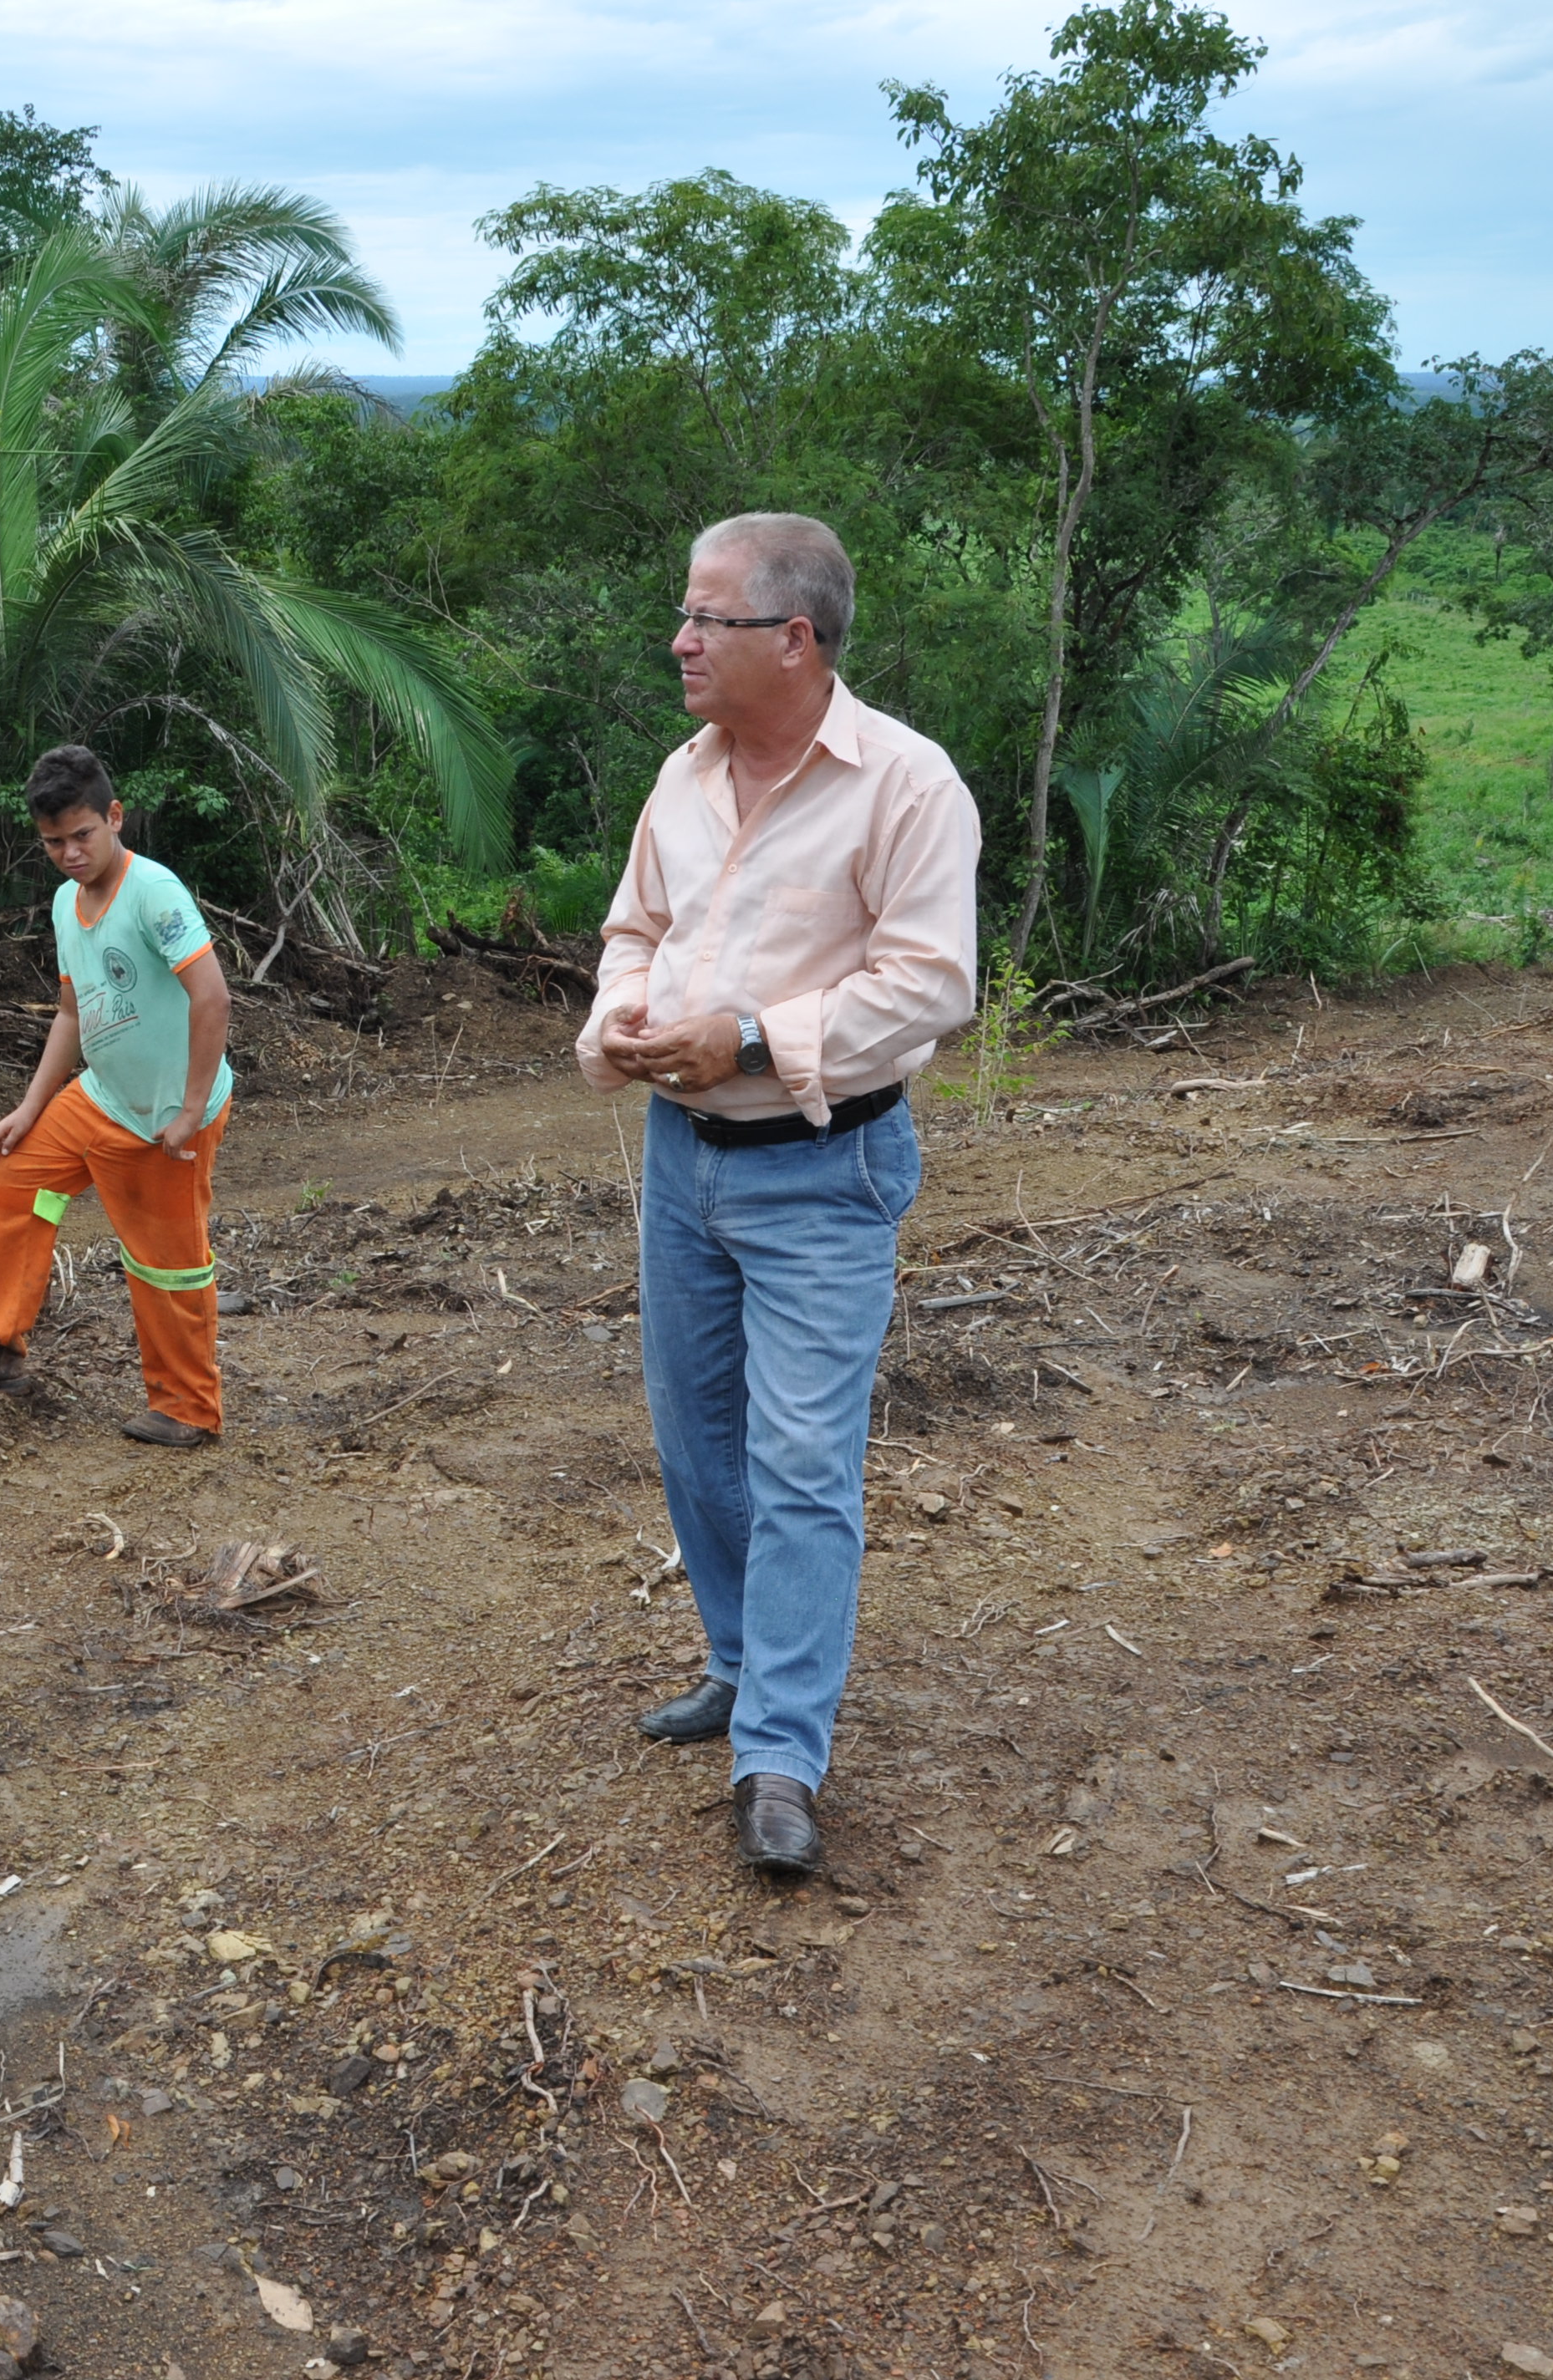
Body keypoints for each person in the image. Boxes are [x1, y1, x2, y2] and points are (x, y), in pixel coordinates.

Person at [576, 513, 980, 1876]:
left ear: (794, 638)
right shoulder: (682, 777)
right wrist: (628, 1018)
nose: (679, 642)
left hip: (822, 1164)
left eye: (707, 618)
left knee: (802, 1462)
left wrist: (747, 1038)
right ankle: (742, 1662)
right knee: (697, 1439)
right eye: (686, 615)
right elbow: (636, 927)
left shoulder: (905, 786)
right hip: (680, 1158)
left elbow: (930, 987)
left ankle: (781, 1756)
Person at [0, 745, 235, 1447]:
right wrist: (30, 1108)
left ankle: (187, 1410)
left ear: (115, 817)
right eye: (53, 843)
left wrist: (188, 1112)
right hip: (100, 1097)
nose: (70, 854)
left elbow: (213, 999)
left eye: (82, 835)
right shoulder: (64, 904)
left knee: (166, 1263)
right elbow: (73, 1014)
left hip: (165, 1117)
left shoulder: (154, 891)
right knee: (12, 1183)